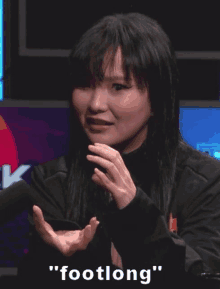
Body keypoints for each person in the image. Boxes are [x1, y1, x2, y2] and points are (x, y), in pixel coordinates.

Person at [0, 12, 220, 288]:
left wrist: (135, 210)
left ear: (158, 99)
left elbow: (204, 278)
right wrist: (54, 257)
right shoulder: (53, 179)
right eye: (84, 84)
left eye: (118, 87)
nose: (95, 104)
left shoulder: (206, 180)